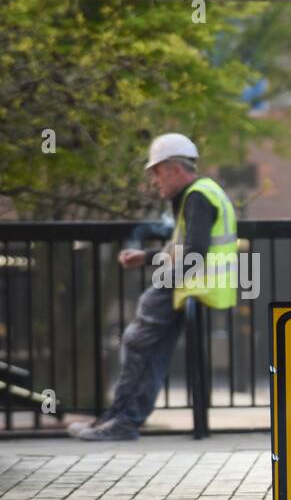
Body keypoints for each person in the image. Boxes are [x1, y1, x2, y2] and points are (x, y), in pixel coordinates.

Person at [69, 133, 239, 440]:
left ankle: (120, 421)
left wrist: (157, 269)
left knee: (138, 345)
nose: (153, 181)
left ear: (174, 168)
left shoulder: (197, 196)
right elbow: (189, 248)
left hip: (186, 284)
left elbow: (194, 253)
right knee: (150, 351)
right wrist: (147, 256)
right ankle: (122, 419)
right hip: (197, 285)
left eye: (156, 172)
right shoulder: (202, 192)